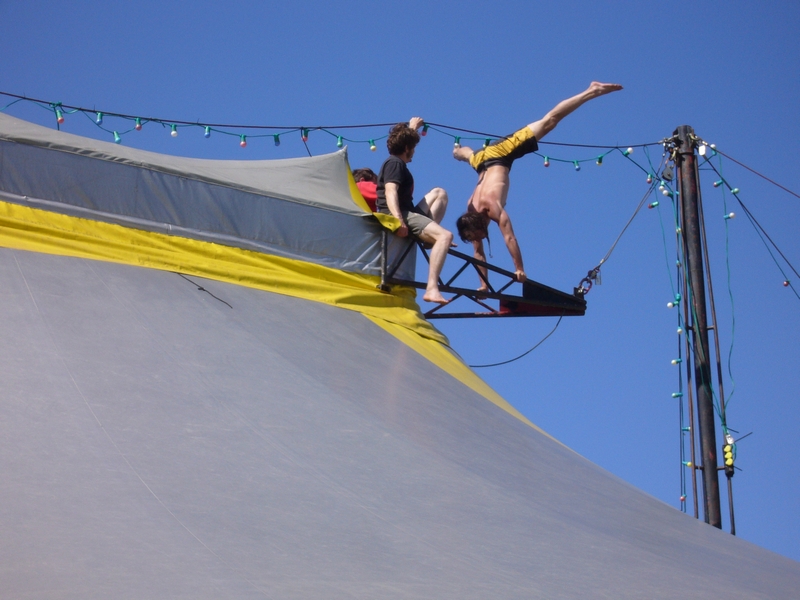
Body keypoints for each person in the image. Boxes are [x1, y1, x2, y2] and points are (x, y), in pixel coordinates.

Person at [453, 81, 623, 292]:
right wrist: (483, 286)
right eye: (472, 239)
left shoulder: (491, 207)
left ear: (477, 225)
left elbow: (510, 237)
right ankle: (459, 152)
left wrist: (520, 268)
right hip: (480, 160)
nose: (476, 239)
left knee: (549, 121)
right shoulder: (472, 213)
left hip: (502, 153)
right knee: (468, 155)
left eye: (474, 236)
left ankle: (592, 90)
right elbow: (478, 254)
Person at [376, 117, 453, 304]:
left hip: (408, 212)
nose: (414, 153)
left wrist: (411, 129)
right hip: (400, 213)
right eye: (413, 148)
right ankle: (432, 289)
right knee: (445, 236)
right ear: (406, 148)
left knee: (439, 193)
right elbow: (390, 191)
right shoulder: (394, 163)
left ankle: (430, 237)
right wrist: (398, 219)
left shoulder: (397, 162)